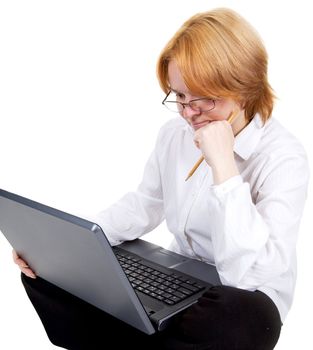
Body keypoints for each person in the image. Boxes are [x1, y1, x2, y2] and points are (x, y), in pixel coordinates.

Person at [13, 7, 309, 350]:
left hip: (240, 296)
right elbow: (145, 204)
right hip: (179, 281)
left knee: (237, 320)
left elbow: (250, 275)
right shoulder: (174, 134)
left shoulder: (284, 157)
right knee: (49, 277)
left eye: (203, 98)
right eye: (180, 96)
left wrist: (224, 168)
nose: (188, 113)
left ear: (244, 88)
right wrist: (73, 246)